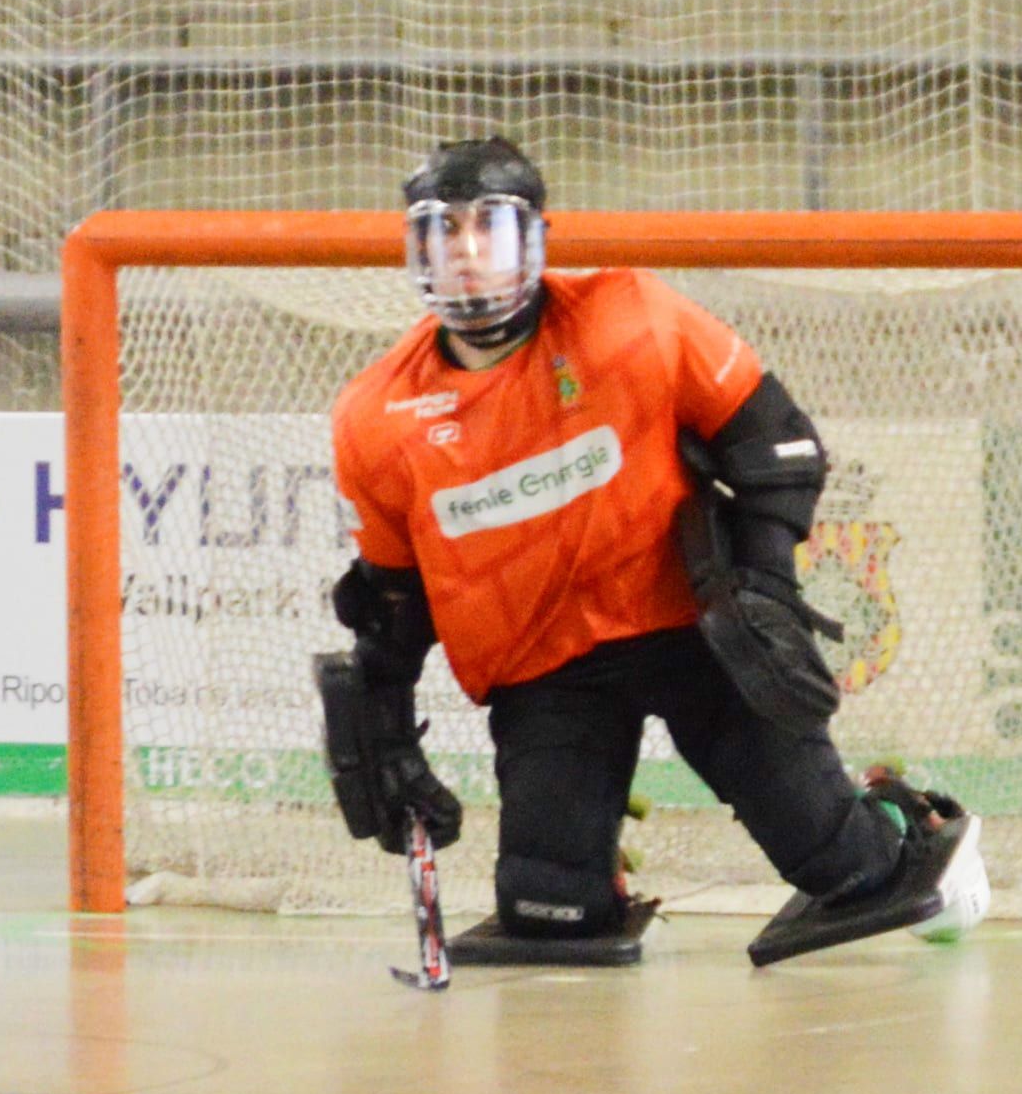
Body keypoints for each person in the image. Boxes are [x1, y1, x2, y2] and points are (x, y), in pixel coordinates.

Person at [317, 136, 980, 969]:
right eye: (442, 231)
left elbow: (777, 446)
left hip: (696, 632)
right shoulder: (376, 414)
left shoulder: (634, 317)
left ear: (536, 239)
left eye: (490, 226)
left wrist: (765, 587)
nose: (468, 252)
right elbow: (392, 588)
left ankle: (901, 815)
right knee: (548, 907)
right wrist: (382, 720)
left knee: (850, 873)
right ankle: (600, 848)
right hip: (547, 664)